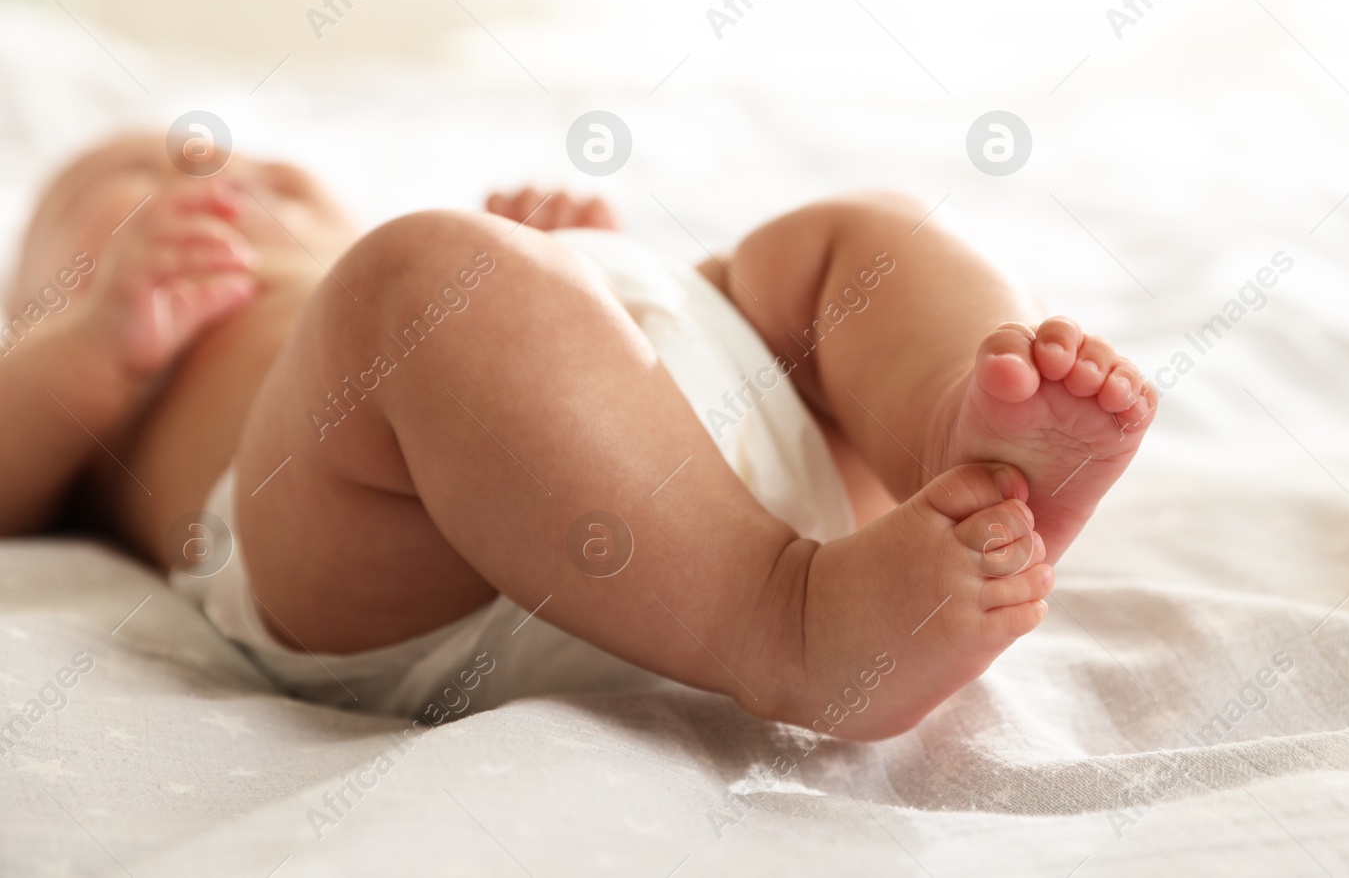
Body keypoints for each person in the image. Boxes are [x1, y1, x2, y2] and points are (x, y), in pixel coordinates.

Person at [0, 134, 1156, 741]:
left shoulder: (432, 262)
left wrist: (569, 277)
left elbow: (517, 339)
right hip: (396, 549)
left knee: (850, 239)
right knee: (413, 286)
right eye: (125, 173)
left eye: (252, 162)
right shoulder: (93, 367)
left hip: (670, 437)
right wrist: (93, 345)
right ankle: (793, 622)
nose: (213, 171)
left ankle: (959, 429)